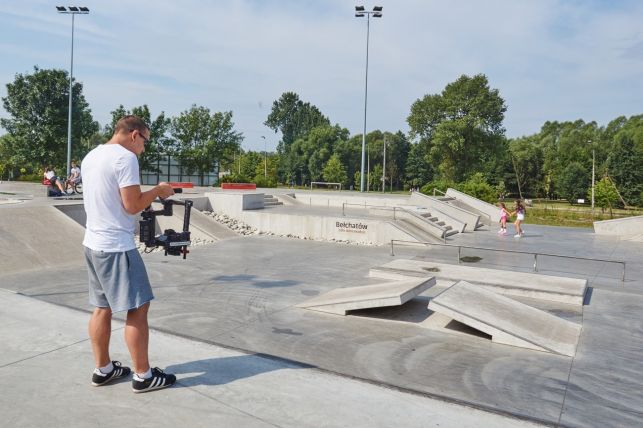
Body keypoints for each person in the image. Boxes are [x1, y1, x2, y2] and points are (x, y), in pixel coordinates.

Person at [82, 115, 176, 393]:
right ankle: (143, 376)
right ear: (134, 135)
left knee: (102, 307)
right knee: (138, 308)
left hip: (92, 243)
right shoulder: (125, 158)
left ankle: (104, 369)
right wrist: (158, 190)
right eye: (145, 141)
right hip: (116, 247)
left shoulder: (92, 156)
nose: (144, 148)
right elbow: (132, 205)